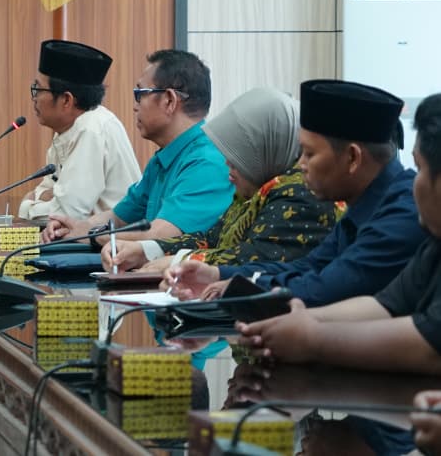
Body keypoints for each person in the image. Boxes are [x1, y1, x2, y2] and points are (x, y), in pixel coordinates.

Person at [229, 92, 441, 372]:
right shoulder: (434, 245)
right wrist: (302, 321)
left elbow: (428, 345)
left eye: (421, 168)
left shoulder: (403, 216)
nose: (300, 165)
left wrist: (312, 338)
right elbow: (383, 305)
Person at [165, 80, 425, 308]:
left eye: (310, 154)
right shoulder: (364, 203)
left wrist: (241, 287)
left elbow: (325, 289)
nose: (301, 165)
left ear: (352, 158)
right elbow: (308, 267)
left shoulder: (402, 214)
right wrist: (218, 275)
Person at [101, 87, 341, 273]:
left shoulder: (301, 193)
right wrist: (145, 250)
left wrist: (178, 261)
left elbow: (254, 258)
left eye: (238, 154)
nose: (227, 163)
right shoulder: (253, 193)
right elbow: (211, 239)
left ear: (264, 148)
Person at [41, 49, 232, 244]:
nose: (135, 106)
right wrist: (77, 227)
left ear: (169, 100)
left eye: (140, 94)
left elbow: (161, 236)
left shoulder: (207, 161)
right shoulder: (163, 159)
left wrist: (91, 236)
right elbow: (118, 217)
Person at [18, 39, 140, 225]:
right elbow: (46, 191)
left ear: (66, 100)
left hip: (114, 240)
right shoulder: (66, 131)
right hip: (87, 237)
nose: (34, 99)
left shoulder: (91, 129)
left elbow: (67, 214)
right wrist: (45, 197)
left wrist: (27, 206)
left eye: (38, 89)